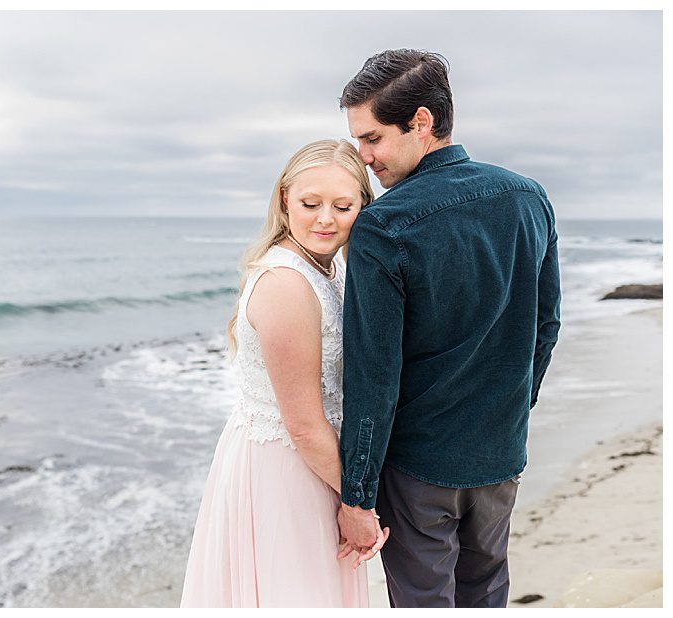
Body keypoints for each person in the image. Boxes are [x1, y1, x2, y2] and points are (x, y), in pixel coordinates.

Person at [335, 49, 562, 608]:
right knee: (487, 596)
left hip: (419, 468)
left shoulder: (383, 225)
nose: (363, 157)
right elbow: (546, 325)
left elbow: (374, 374)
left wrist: (357, 494)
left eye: (372, 138)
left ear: (420, 122)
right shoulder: (529, 197)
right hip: (500, 454)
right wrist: (510, 411)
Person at [180, 139, 387, 607]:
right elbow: (303, 422)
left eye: (343, 206)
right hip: (286, 469)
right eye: (310, 204)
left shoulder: (329, 270)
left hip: (315, 463)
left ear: (364, 208)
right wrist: (359, 503)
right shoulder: (287, 284)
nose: (326, 219)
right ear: (284, 201)